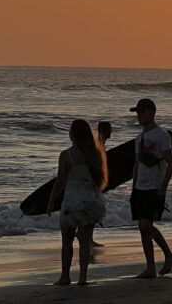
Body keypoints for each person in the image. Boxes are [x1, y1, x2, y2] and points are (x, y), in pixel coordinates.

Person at [47, 119, 108, 286]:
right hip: (91, 201)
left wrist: (51, 200)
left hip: (72, 202)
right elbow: (100, 180)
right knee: (84, 241)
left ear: (72, 134)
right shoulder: (96, 154)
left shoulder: (67, 155)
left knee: (67, 241)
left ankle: (65, 277)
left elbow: (60, 181)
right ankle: (82, 278)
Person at [130, 98, 172, 278]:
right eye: (137, 113)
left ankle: (169, 255)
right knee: (143, 228)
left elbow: (171, 164)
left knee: (145, 224)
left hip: (154, 187)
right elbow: (136, 165)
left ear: (152, 112)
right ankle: (150, 267)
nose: (138, 116)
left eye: (141, 112)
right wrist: (133, 188)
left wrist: (163, 187)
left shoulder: (162, 136)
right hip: (140, 187)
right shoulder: (138, 138)